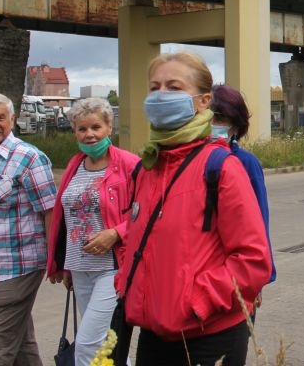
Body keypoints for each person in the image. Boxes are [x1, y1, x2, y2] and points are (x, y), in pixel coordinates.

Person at [116, 52, 272, 365]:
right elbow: (137, 238)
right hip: (155, 330)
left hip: (208, 333)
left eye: (173, 87)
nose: (161, 95)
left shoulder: (222, 167)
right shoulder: (147, 167)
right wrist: (128, 286)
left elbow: (253, 259)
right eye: (155, 87)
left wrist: (195, 302)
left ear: (202, 102)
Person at [46, 97, 140, 366]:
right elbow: (64, 218)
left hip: (112, 268)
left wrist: (117, 233)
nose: (89, 135)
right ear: (74, 131)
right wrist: (65, 264)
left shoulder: (129, 164)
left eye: (96, 127)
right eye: (82, 129)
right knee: (107, 341)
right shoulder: (74, 166)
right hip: (79, 268)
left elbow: (147, 213)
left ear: (109, 127)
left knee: (88, 346)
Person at [0, 90, 57, 365]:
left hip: (21, 265)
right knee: (19, 340)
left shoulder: (29, 158)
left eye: (0, 117)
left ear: (12, 120)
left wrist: (55, 259)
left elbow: (50, 211)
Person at [209, 84, 277, 311]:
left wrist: (257, 280)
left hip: (236, 274)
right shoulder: (192, 159)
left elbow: (259, 223)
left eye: (220, 119)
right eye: (208, 117)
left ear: (236, 126)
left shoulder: (246, 163)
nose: (213, 125)